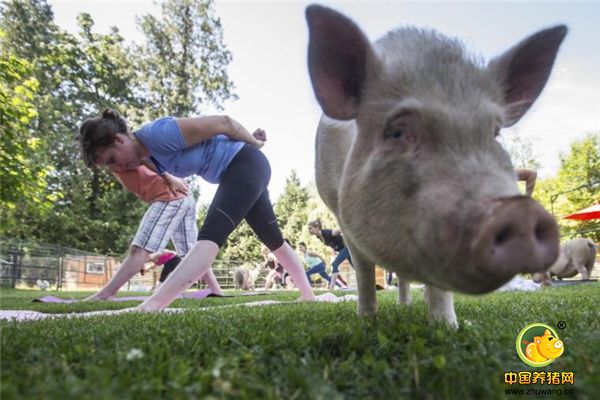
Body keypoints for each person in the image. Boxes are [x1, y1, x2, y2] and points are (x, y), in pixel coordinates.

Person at [79, 109, 315, 310]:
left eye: (111, 160)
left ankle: (153, 305)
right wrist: (168, 178)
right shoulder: (145, 155)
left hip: (245, 163)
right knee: (273, 240)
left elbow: (224, 123)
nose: (116, 169)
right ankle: (308, 296)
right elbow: (165, 163)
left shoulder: (157, 134)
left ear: (119, 140)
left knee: (210, 235)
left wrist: (255, 143)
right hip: (241, 169)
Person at [80, 163, 222, 300]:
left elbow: (146, 154)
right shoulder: (116, 159)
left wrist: (168, 177)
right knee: (193, 253)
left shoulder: (124, 149)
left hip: (170, 196)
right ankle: (216, 291)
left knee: (140, 248)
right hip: (182, 195)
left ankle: (106, 294)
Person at [307, 219, 352, 290]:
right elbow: (332, 243)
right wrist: (334, 249)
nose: (309, 230)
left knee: (334, 264)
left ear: (317, 228)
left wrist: (346, 221)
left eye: (310, 228)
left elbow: (336, 231)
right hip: (342, 250)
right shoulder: (319, 236)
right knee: (356, 267)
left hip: (347, 248)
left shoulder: (326, 233)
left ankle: (331, 288)